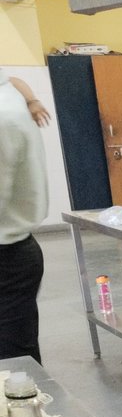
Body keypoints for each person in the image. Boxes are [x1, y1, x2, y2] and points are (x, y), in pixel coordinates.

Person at [0, 69, 52, 364]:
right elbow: (13, 80)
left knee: (12, 362)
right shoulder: (9, 93)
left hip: (7, 257)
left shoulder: (3, 117)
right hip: (14, 250)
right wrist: (32, 100)